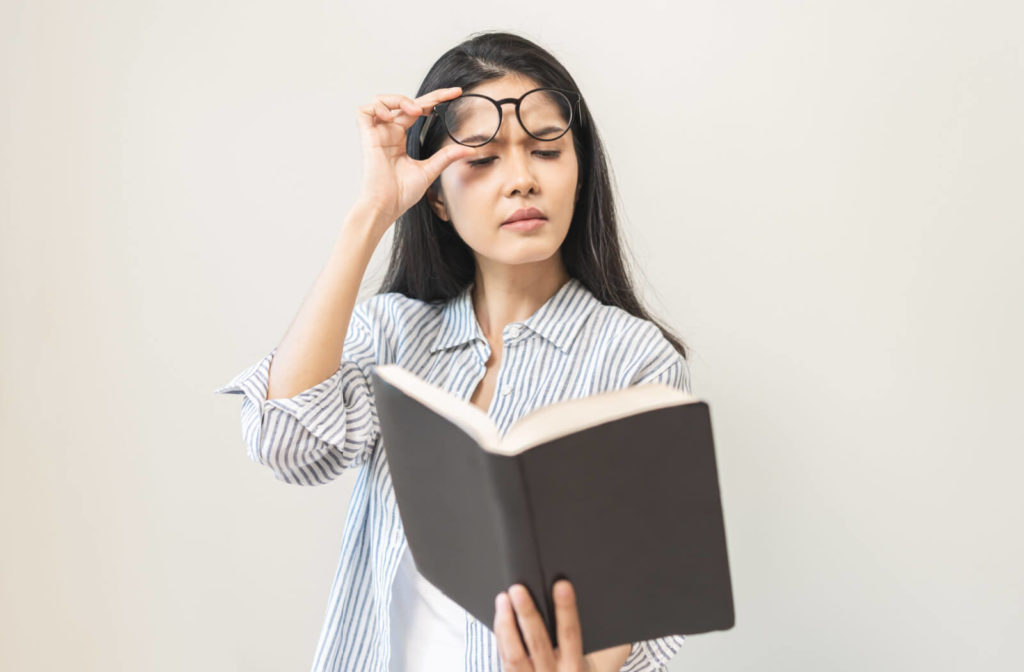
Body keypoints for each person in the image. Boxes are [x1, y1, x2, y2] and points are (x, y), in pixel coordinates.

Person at [216, 30, 692, 672]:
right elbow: (287, 444)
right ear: (436, 194)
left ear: (580, 167)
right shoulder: (391, 334)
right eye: (483, 158)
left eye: (547, 150)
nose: (522, 179)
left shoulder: (637, 362)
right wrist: (372, 213)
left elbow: (642, 598)